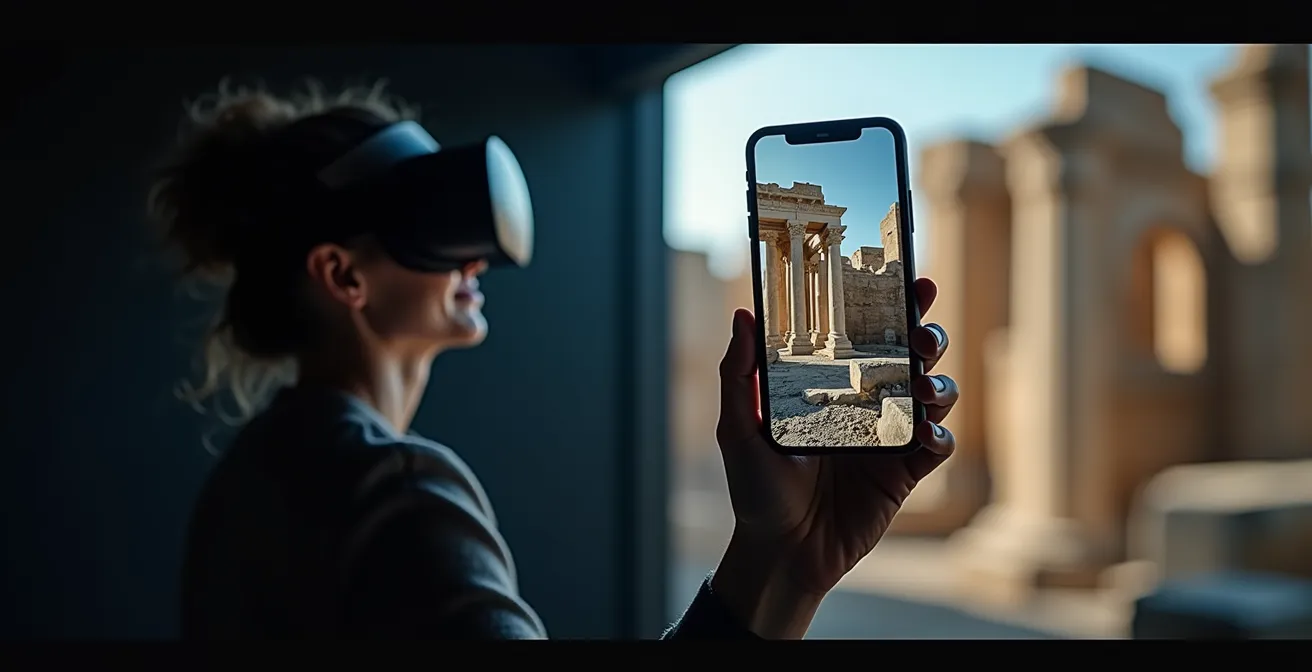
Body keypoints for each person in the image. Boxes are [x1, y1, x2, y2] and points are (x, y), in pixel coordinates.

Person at [153, 83, 960, 640]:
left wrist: (788, 557)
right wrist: (777, 558)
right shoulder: (389, 489)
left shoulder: (256, 471)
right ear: (343, 275)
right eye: (434, 225)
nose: (476, 258)